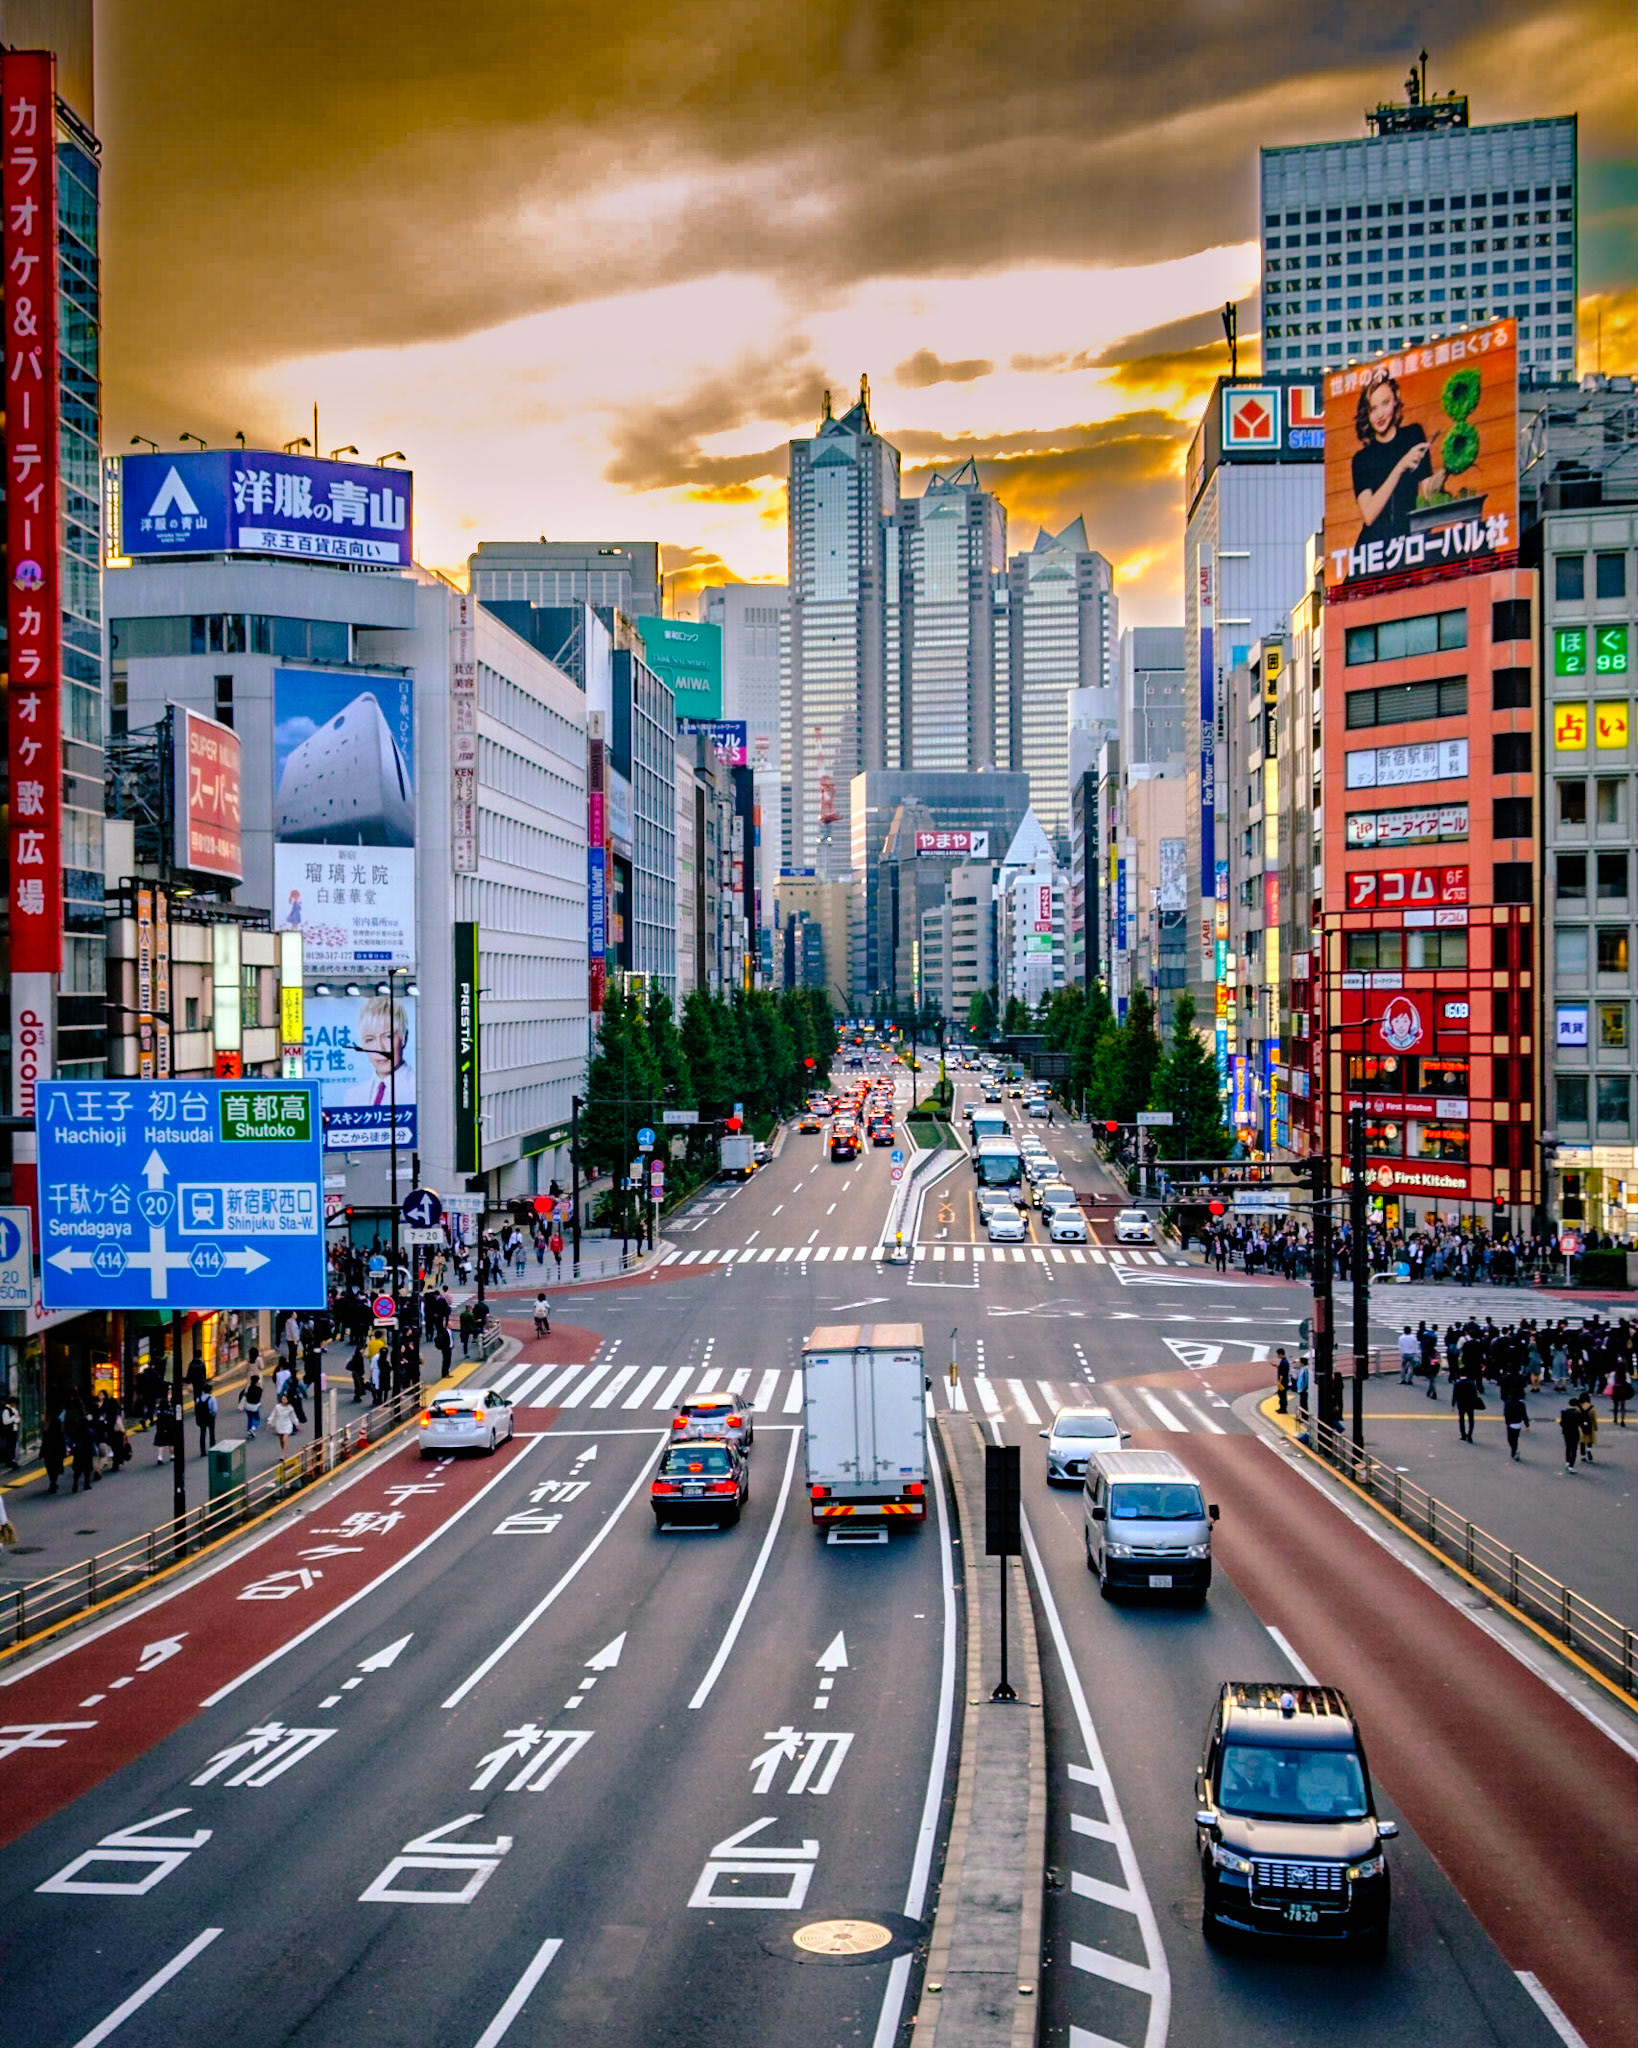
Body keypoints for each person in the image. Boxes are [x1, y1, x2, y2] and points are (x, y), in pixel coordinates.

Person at [1451, 1366, 1483, 1444]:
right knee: (1471, 1420)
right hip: (1470, 1403)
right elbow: (1475, 1395)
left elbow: (1455, 1395)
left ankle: (1463, 1435)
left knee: (1461, 1419)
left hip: (1461, 1404)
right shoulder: (1471, 1383)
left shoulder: (1457, 1384)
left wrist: (1453, 1405)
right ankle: (1470, 1435)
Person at [40, 1407, 66, 1493]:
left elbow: (43, 1445)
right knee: (56, 1469)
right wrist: (64, 1454)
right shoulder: (60, 1434)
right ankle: (54, 1482)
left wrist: (41, 1454)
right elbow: (63, 1445)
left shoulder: (46, 1433)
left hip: (48, 1455)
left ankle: (52, 1482)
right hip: (58, 1455)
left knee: (50, 1469)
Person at [1502, 1387, 1529, 1461]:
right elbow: (1525, 1415)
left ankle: (1514, 1451)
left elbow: (1506, 1414)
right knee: (1515, 1438)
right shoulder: (1521, 1404)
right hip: (1518, 1423)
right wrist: (1527, 1425)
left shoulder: (1507, 1403)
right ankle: (1514, 1451)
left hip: (1510, 1424)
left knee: (1510, 1439)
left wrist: (1507, 1422)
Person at [270, 1391, 298, 1460]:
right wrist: (270, 1421)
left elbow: (293, 1417)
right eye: (282, 1399)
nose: (283, 1400)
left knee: (285, 1438)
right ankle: (284, 1452)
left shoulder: (290, 1408)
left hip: (287, 1425)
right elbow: (273, 1414)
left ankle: (283, 1454)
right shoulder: (277, 1407)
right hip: (279, 1424)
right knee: (281, 1440)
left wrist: (296, 1423)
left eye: (285, 1399)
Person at [1557, 1400, 1583, 1474]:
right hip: (1574, 1432)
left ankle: (1567, 1462)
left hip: (1566, 1432)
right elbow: (1580, 1422)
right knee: (1574, 1449)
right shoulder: (1577, 1413)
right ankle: (1571, 1466)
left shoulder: (1564, 1412)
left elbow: (1561, 1423)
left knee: (1568, 1448)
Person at [1575, 1391, 1599, 1466]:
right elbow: (1594, 1419)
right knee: (1589, 1440)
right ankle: (1589, 1450)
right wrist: (1595, 1427)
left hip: (1580, 1426)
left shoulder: (1577, 1407)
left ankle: (1583, 1456)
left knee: (1582, 1441)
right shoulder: (1591, 1407)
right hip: (1589, 1425)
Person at [238, 1372, 264, 1439]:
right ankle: (252, 1428)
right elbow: (259, 1398)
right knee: (257, 1419)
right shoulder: (259, 1389)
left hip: (247, 1406)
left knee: (250, 1419)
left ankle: (249, 1431)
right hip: (254, 1406)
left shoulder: (248, 1388)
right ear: (257, 1382)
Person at [194, 1386, 218, 1458]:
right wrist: (213, 1416)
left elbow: (196, 1409)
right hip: (210, 1418)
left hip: (201, 1419)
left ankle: (203, 1451)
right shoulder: (212, 1399)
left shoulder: (198, 1399)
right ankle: (212, 1448)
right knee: (212, 1433)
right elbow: (214, 1410)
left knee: (202, 1434)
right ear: (210, 1391)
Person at [1610, 1361, 1633, 1428]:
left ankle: (1615, 1418)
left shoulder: (1613, 1373)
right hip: (1623, 1390)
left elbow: (1611, 1382)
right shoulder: (1626, 1374)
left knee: (1615, 1405)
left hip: (1616, 1390)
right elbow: (1629, 1382)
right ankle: (1622, 1420)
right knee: (1623, 1406)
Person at [0, 1394, 18, 1469]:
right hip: (9, 1431)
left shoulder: (12, 1410)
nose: (15, 1405)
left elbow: (18, 1419)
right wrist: (13, 1418)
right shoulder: (6, 1411)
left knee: (12, 1446)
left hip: (13, 1430)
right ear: (12, 1403)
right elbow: (5, 1421)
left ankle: (11, 1460)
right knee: (9, 1446)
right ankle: (9, 1461)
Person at [1275, 1348, 1291, 1416]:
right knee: (1281, 1394)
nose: (1277, 1356)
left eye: (1278, 1354)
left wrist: (1279, 1381)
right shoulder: (1284, 1361)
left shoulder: (1284, 1362)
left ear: (1281, 1354)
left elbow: (1282, 1374)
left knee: (1282, 1394)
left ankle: (1283, 1409)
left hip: (1283, 1382)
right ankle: (1281, 1408)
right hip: (1283, 1381)